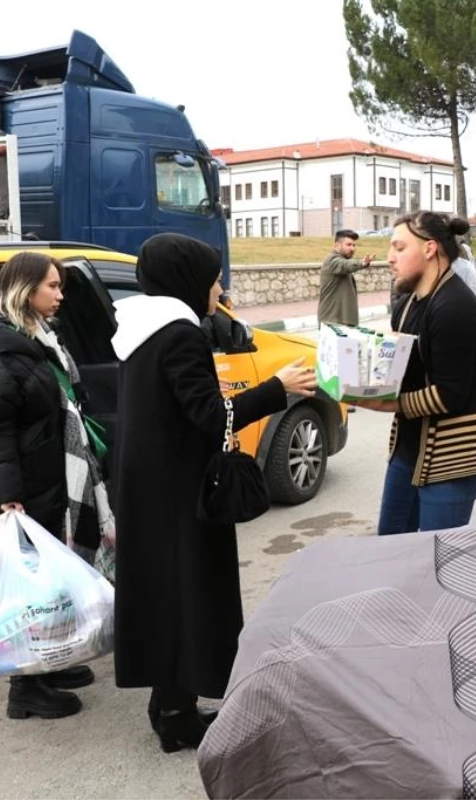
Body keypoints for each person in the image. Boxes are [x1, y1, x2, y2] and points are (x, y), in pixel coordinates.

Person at [109, 232, 316, 754]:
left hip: (149, 486)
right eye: (213, 277)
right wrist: (277, 389)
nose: (219, 287)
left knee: (165, 596)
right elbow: (208, 415)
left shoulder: (140, 328)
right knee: (188, 596)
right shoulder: (179, 333)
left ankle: (169, 704)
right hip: (179, 491)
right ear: (187, 280)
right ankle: (176, 718)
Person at [0, 251, 114, 721]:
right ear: (24, 289)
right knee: (25, 590)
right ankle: (25, 689)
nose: (60, 296)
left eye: (60, 287)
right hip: (19, 491)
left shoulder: (38, 339)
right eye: (52, 287)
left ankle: (48, 665)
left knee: (47, 583)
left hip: (46, 480)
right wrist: (6, 497)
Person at [351, 212, 476, 535]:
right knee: (391, 545)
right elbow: (405, 363)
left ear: (430, 249)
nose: (389, 258)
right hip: (409, 449)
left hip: (452, 459)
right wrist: (357, 375)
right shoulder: (407, 304)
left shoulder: (453, 308)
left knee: (436, 560)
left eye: (399, 248)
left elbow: (450, 393)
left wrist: (392, 404)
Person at [318, 229, 375, 326]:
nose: (352, 248)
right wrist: (362, 263)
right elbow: (346, 265)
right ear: (337, 245)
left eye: (354, 245)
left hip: (341, 322)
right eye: (348, 245)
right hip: (334, 323)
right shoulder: (332, 261)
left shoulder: (342, 261)